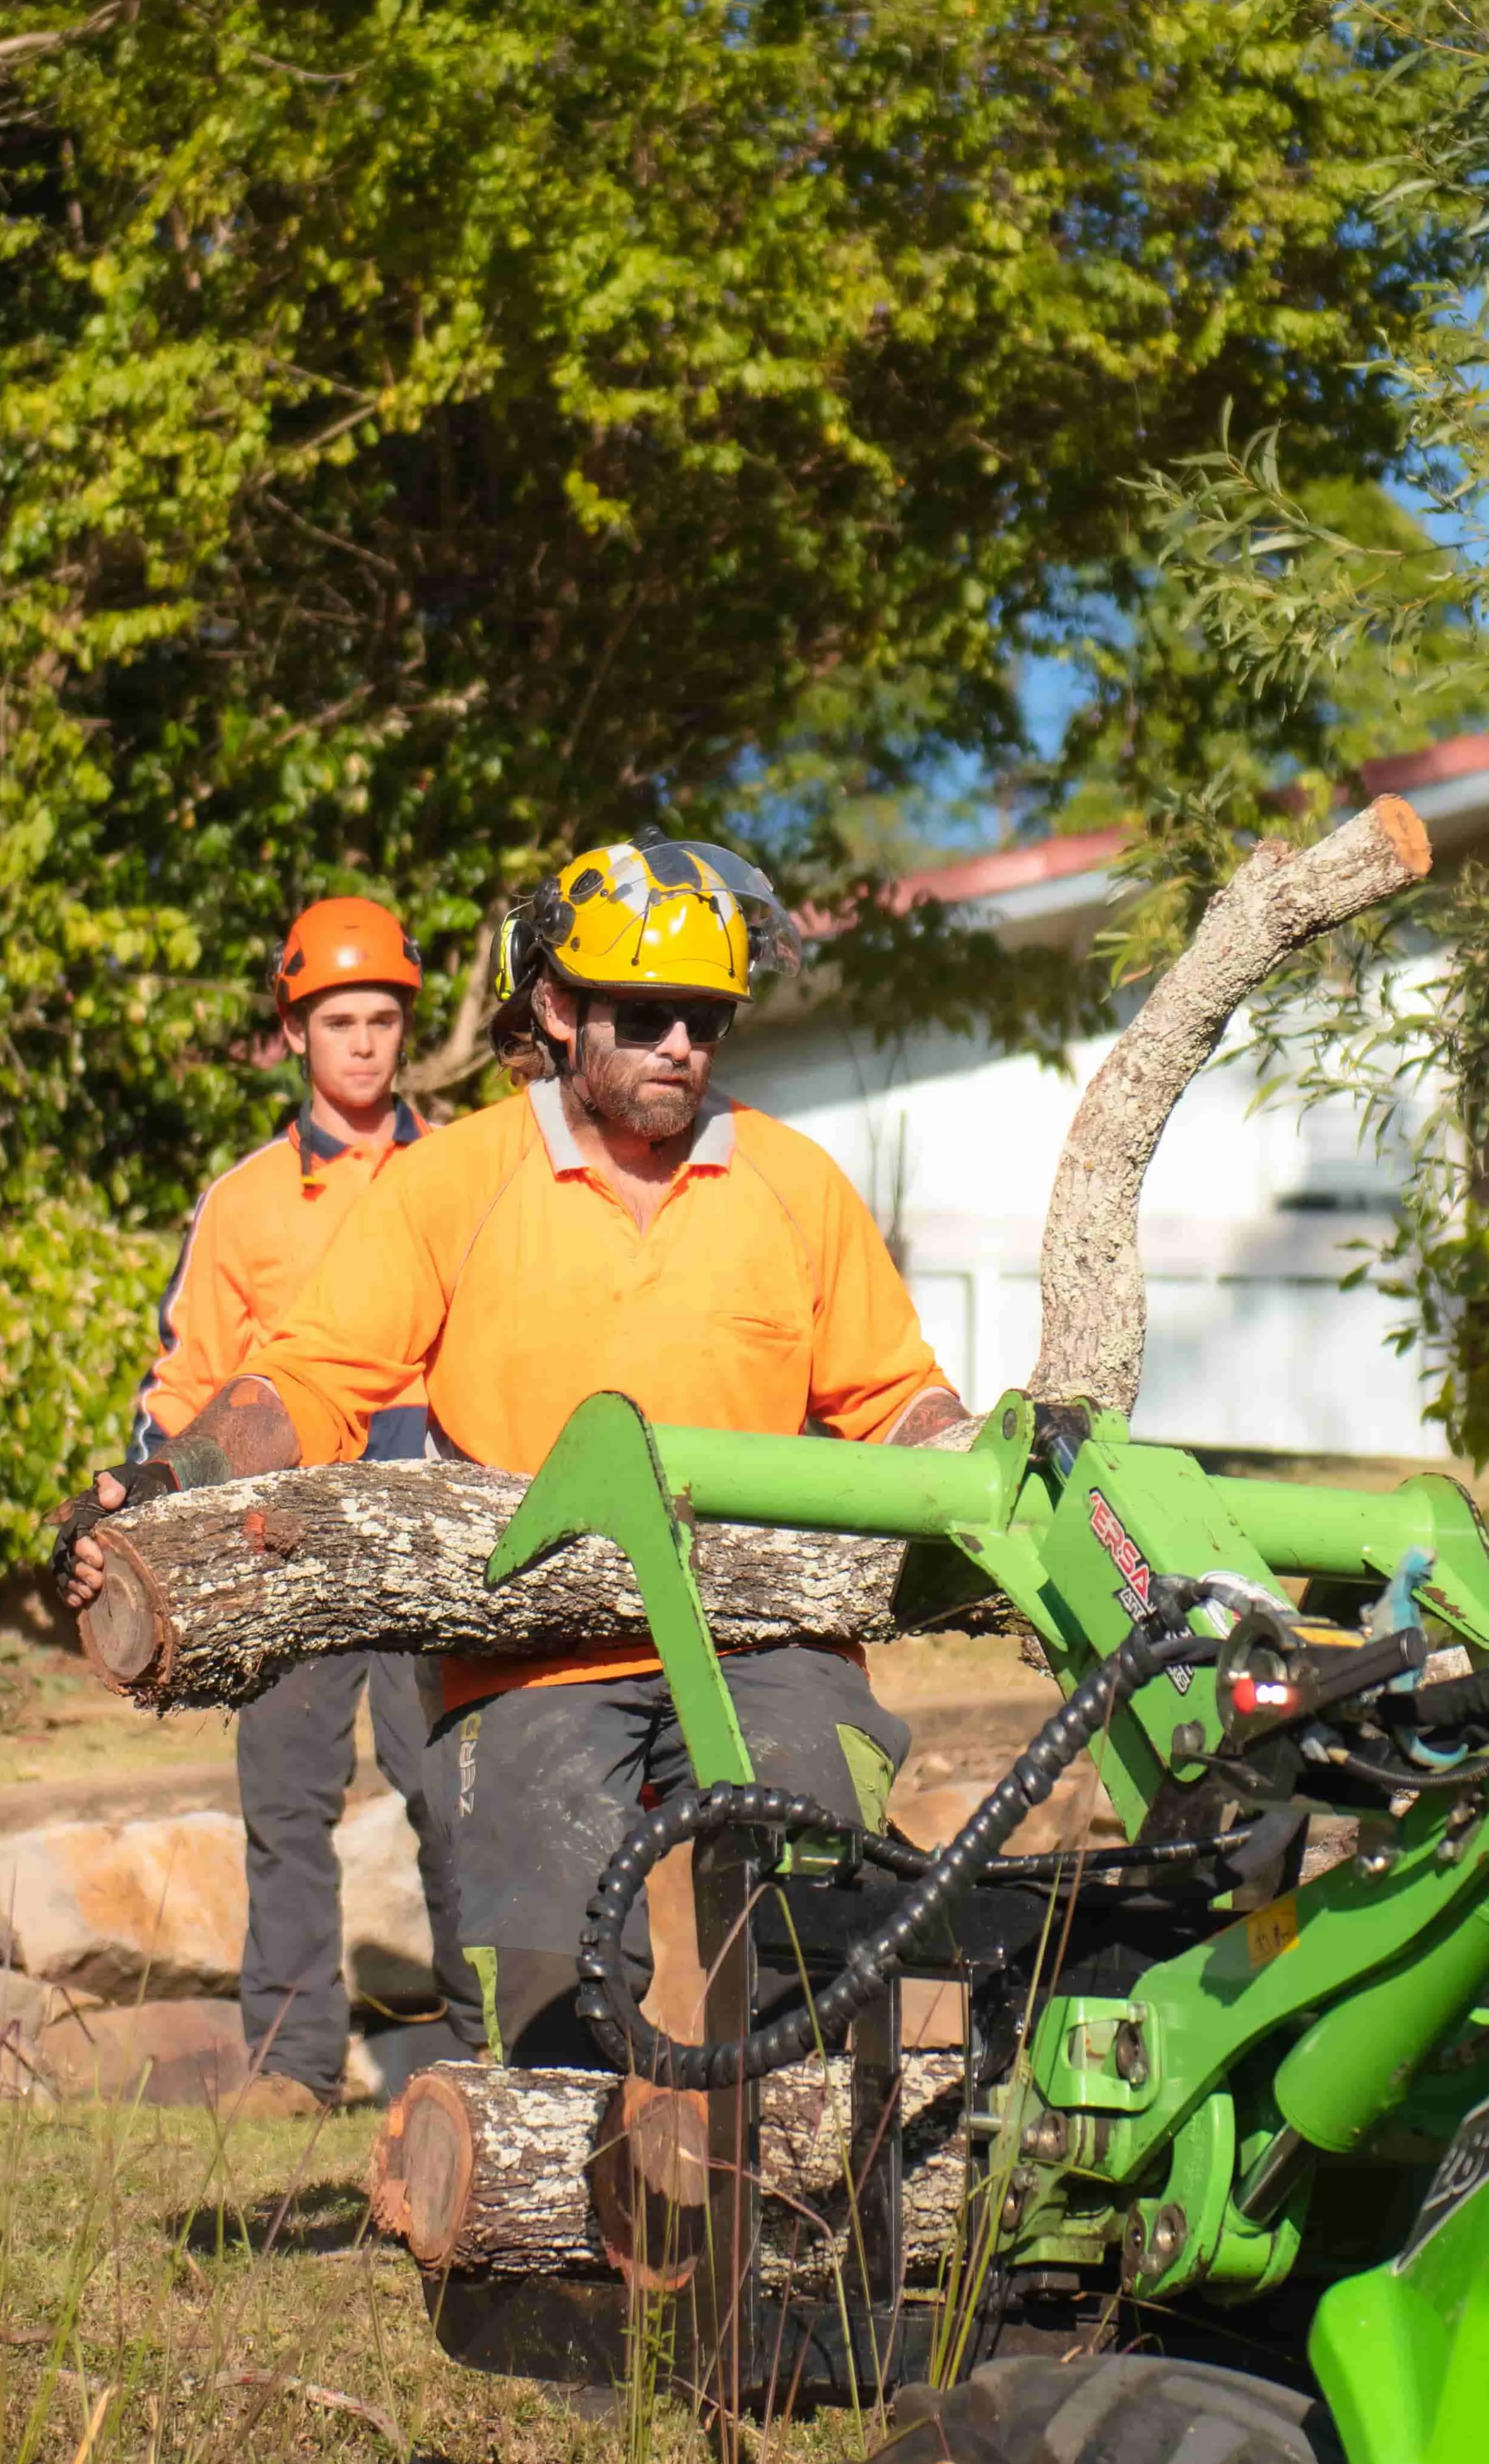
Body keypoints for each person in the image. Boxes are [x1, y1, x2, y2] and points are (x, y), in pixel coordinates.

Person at [67, 838, 969, 2071]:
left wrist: (988, 1456)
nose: (680, 1048)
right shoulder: (457, 1177)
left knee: (819, 1912)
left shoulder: (793, 1182)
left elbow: (896, 1397)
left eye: (705, 1020)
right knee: (551, 1982)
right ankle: (546, 2246)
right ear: (555, 1006)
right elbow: (313, 1373)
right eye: (645, 1016)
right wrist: (174, 1479)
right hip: (529, 1657)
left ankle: (812, 2224)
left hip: (766, 1636)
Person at [137, 886, 432, 2109]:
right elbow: (185, 1380)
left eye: (380, 1016)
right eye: (337, 1019)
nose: (362, 1041)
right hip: (283, 1538)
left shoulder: (468, 1172)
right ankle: (290, 2064)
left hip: (433, 1537)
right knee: (286, 1809)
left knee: (461, 1796)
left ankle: (494, 2051)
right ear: (293, 1032)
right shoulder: (244, 1198)